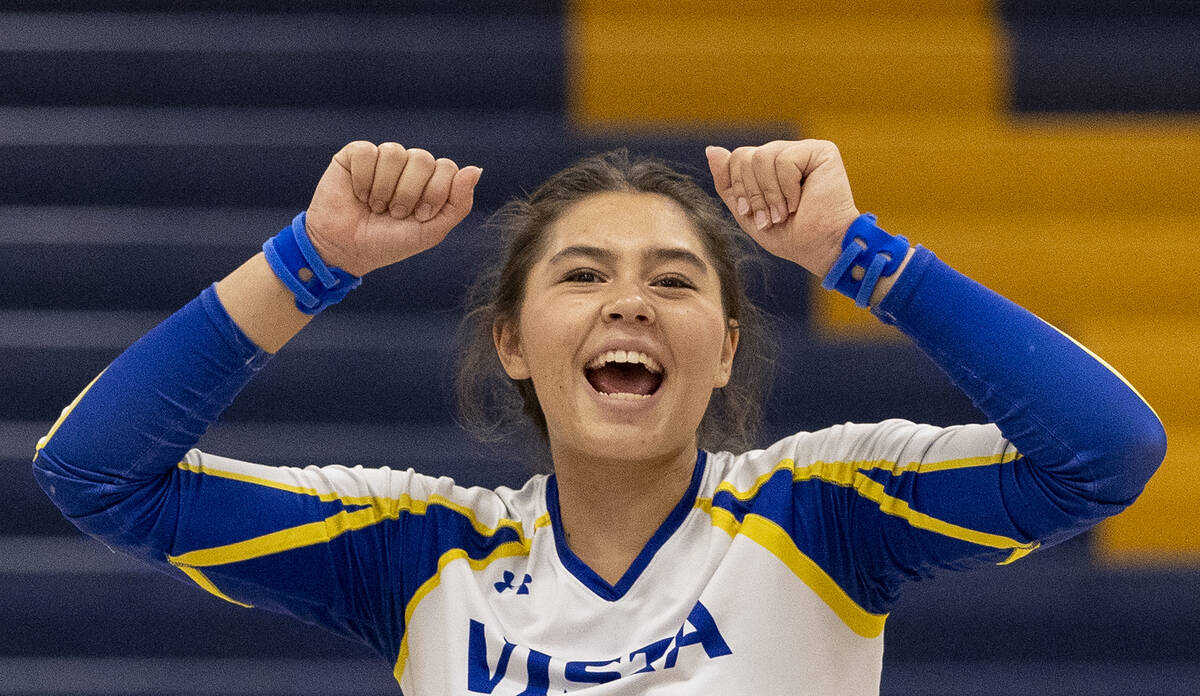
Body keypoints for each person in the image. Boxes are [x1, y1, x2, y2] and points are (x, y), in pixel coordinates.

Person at [32, 139, 1166, 695]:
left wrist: (855, 257)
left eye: (675, 281)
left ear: (724, 351)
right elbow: (96, 472)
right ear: (514, 344)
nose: (630, 299)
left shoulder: (825, 511)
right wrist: (312, 260)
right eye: (582, 276)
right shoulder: (421, 551)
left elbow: (1104, 454)